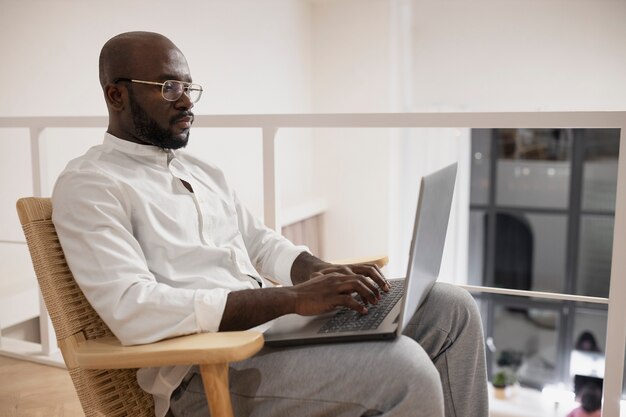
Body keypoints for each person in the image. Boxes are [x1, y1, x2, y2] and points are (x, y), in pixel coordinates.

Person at [52, 31, 488, 417]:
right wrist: (293, 299)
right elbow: (133, 308)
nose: (185, 100)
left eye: (188, 87)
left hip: (274, 337)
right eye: (168, 87)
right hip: (208, 373)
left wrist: (319, 270)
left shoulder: (201, 170)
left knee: (452, 308)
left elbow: (259, 243)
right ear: (116, 95)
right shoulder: (92, 184)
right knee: (406, 370)